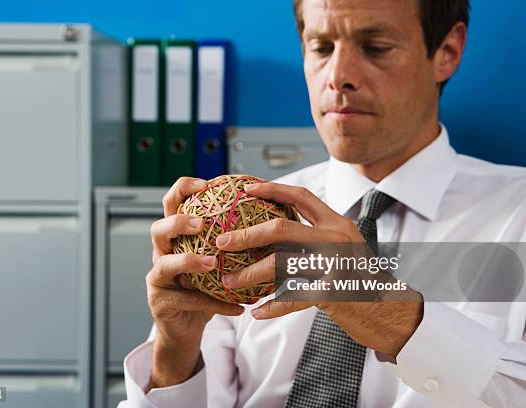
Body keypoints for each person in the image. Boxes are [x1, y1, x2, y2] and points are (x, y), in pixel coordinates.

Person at [119, 0, 526, 406]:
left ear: (448, 52)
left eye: (376, 46)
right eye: (321, 47)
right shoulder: (238, 227)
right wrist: (174, 350)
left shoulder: (517, 213)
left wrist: (396, 318)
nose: (338, 77)